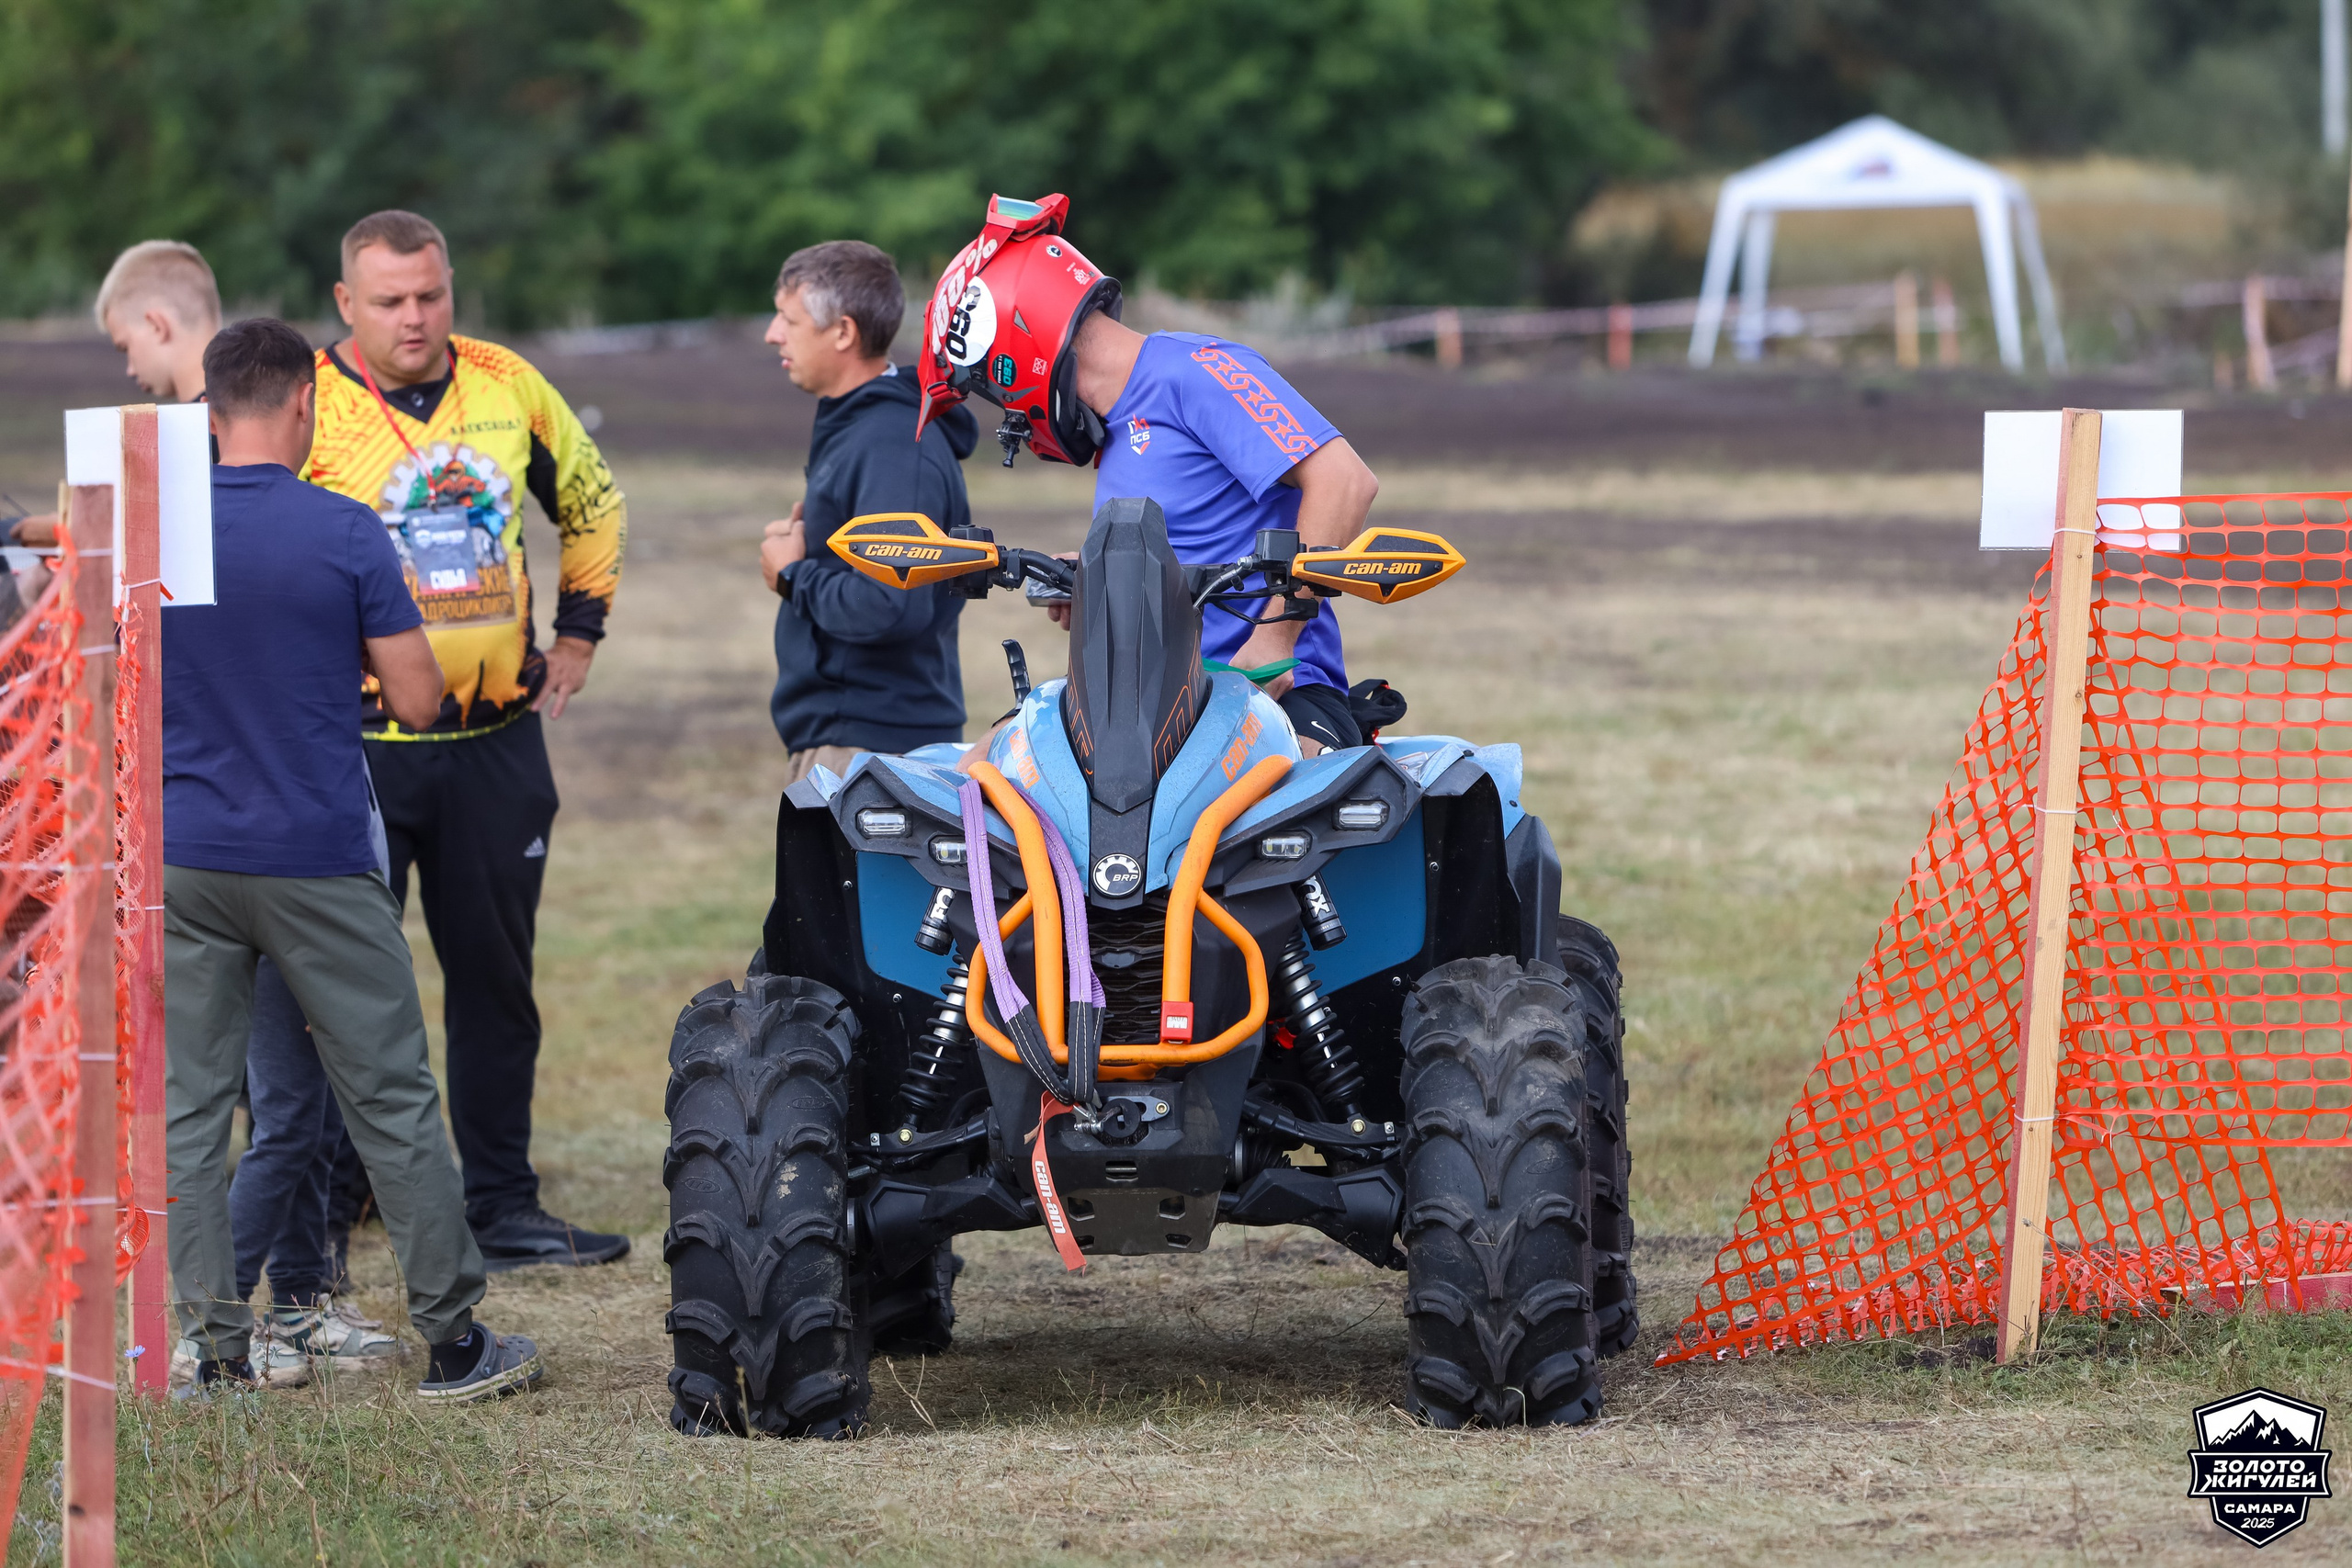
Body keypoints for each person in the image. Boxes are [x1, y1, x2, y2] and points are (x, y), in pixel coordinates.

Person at [164, 317, 545, 1402]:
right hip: (316, 855)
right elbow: (419, 698)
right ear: (303, 404)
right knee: (388, 1096)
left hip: (187, 859)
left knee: (194, 1112)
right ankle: (457, 1345)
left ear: (207, 408)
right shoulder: (340, 528)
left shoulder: (161, 536)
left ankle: (216, 1350)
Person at [300, 209, 630, 1269]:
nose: (414, 317)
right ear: (346, 304)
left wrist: (579, 631)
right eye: (390, 300)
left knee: (495, 981)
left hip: (492, 743)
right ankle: (345, 1204)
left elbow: (593, 502)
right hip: (352, 745)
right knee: (344, 994)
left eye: (430, 295)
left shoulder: (507, 384)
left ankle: (505, 1204)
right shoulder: (309, 405)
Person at [916, 195, 1382, 755]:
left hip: (1274, 693)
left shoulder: (1194, 371)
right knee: (977, 775)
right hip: (1143, 708)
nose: (1008, 410)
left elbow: (1345, 481)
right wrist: (1096, 577)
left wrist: (1272, 639)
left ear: (1017, 340)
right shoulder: (1115, 434)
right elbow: (1187, 541)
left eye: (992, 386)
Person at [757, 241, 978, 784]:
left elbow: (891, 603)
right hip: (856, 744)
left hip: (869, 754)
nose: (772, 334)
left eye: (789, 319)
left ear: (843, 333)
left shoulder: (891, 445)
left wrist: (792, 574)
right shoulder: (863, 431)